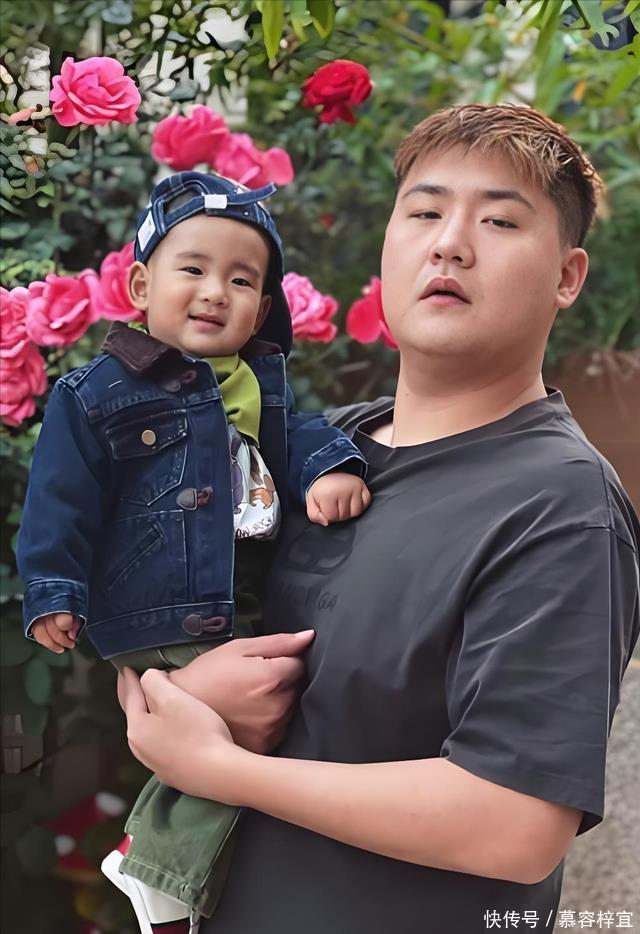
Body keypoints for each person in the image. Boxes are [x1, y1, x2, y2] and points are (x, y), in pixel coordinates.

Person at [119, 104, 640, 934]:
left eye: (500, 221)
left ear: (567, 277)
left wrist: (219, 766)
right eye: (425, 212)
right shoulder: (317, 450)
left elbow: (515, 825)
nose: (450, 244)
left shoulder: (560, 504)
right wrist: (178, 688)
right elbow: (145, 611)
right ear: (389, 243)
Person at [16, 171, 371, 934]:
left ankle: (154, 861)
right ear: (142, 287)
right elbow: (59, 498)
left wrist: (330, 465)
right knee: (249, 720)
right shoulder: (98, 394)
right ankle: (160, 869)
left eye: (240, 280)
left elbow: (295, 436)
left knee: (245, 724)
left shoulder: (257, 385)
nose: (215, 292)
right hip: (158, 600)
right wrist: (52, 589)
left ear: (262, 310)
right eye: (194, 270)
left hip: (233, 598)